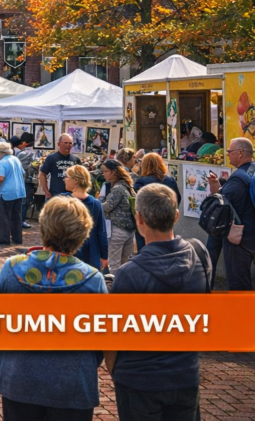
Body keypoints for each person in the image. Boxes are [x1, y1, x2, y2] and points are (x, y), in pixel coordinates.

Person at [0, 196, 107, 420]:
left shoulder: (12, 268)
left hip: (19, 377)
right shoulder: (93, 280)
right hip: (73, 382)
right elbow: (102, 340)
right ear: (82, 233)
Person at [110, 184, 210, 420]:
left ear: (139, 219)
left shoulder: (129, 273)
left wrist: (115, 369)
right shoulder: (199, 254)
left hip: (139, 378)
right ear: (176, 216)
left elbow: (113, 334)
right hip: (184, 373)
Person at [207, 137, 255, 290]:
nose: (227, 154)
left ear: (240, 153)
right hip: (252, 233)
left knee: (238, 284)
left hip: (240, 239)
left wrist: (215, 193)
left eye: (229, 151)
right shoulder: (252, 171)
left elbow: (220, 203)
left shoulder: (238, 178)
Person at [132, 152, 180, 252]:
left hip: (147, 220)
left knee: (146, 251)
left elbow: (135, 202)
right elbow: (177, 198)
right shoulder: (170, 180)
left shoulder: (141, 181)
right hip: (166, 218)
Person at [101, 159, 137, 272]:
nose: (103, 174)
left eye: (105, 171)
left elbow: (107, 206)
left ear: (114, 172)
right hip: (129, 230)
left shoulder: (118, 188)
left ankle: (115, 283)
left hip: (117, 230)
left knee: (114, 265)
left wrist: (94, 203)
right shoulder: (128, 186)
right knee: (125, 264)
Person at [0, 142, 26, 245]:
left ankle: (4, 239)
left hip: (6, 192)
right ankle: (17, 238)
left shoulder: (2, 162)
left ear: (0, 152)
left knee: (4, 216)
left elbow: (1, 178)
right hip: (19, 191)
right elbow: (23, 174)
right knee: (16, 216)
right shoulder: (16, 159)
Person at [39, 133, 82, 198]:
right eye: (66, 143)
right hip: (55, 195)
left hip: (72, 196)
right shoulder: (51, 158)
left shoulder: (76, 159)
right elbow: (42, 174)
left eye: (70, 143)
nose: (68, 145)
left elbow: (81, 178)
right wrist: (46, 191)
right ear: (59, 143)